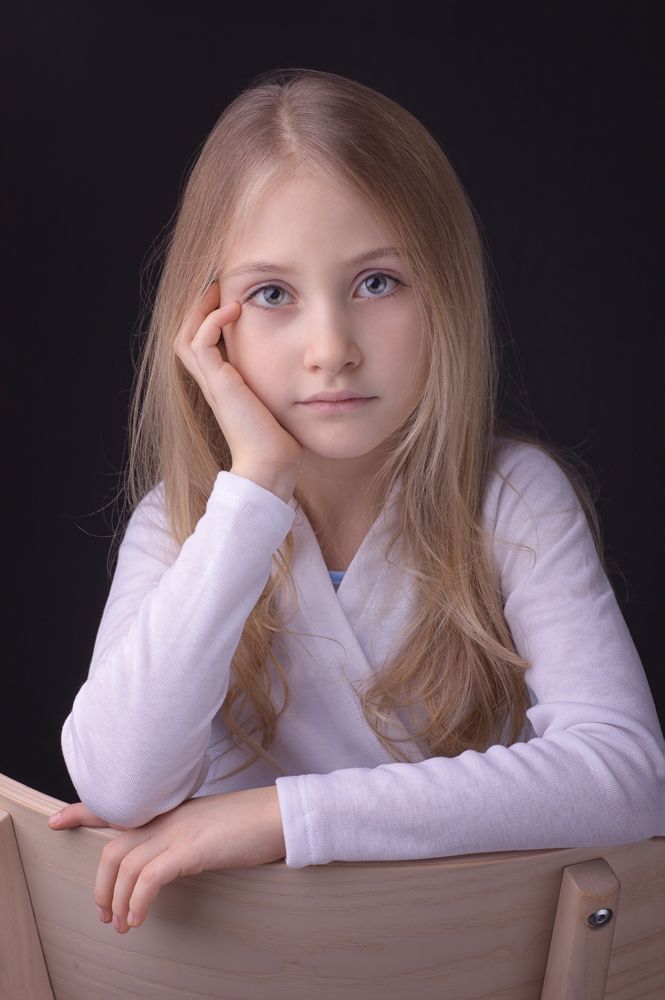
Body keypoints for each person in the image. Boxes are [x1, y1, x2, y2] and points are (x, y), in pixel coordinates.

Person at [48, 67, 665, 935]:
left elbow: (625, 777)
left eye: (376, 282)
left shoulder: (508, 499)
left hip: (454, 963)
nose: (330, 349)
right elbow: (116, 783)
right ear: (206, 326)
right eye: (271, 294)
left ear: (444, 294)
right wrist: (253, 490)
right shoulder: (186, 522)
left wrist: (281, 817)